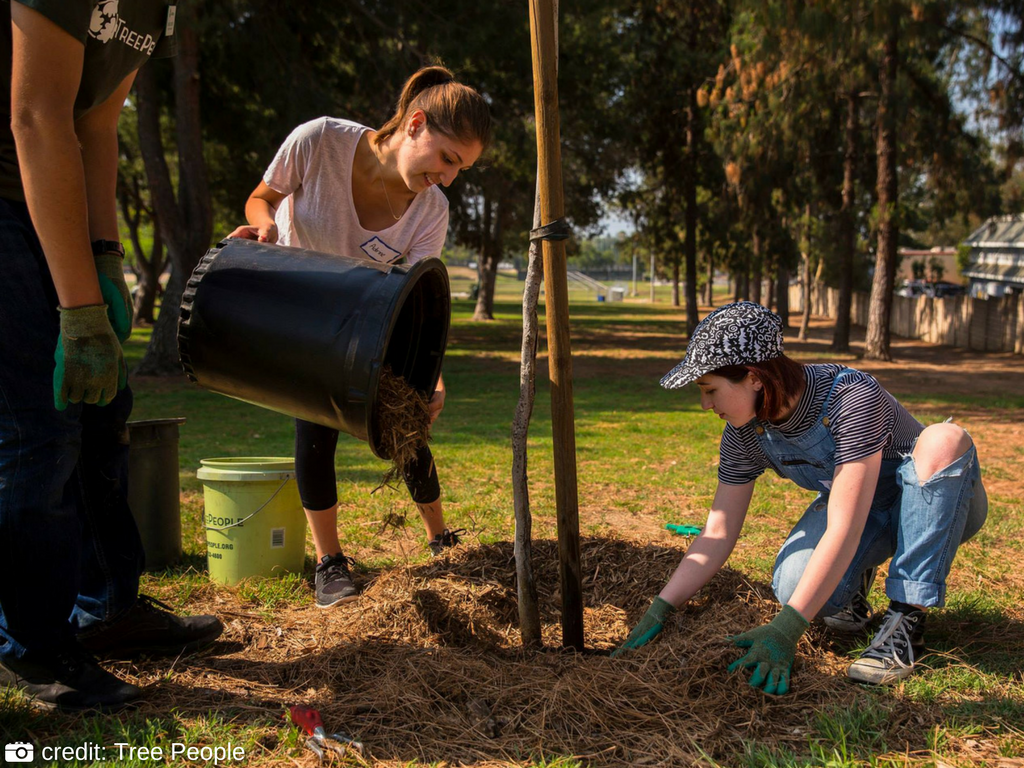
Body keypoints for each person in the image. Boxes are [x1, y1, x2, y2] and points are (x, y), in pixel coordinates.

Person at [0, 0, 223, 713]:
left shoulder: (153, 8)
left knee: (103, 408)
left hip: (52, 191)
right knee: (40, 425)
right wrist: (79, 311)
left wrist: (104, 260)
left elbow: (95, 126)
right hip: (9, 192)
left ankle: (106, 611)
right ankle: (31, 644)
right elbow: (36, 117)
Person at [614, 301, 987, 693]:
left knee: (944, 439)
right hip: (867, 508)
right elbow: (717, 533)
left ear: (755, 378)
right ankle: (852, 589)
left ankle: (906, 618)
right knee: (793, 586)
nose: (706, 404)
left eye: (710, 390)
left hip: (941, 504)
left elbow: (844, 526)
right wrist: (662, 606)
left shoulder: (851, 397)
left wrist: (785, 630)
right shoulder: (745, 432)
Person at [228, 66, 491, 609]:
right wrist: (263, 226)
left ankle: (440, 537)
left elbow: (419, 300)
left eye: (460, 168)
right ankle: (330, 562)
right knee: (315, 426)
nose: (447, 178)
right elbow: (262, 197)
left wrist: (430, 375)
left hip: (371, 320)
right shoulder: (320, 140)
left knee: (407, 418)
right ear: (415, 123)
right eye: (447, 158)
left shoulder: (431, 209)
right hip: (303, 314)